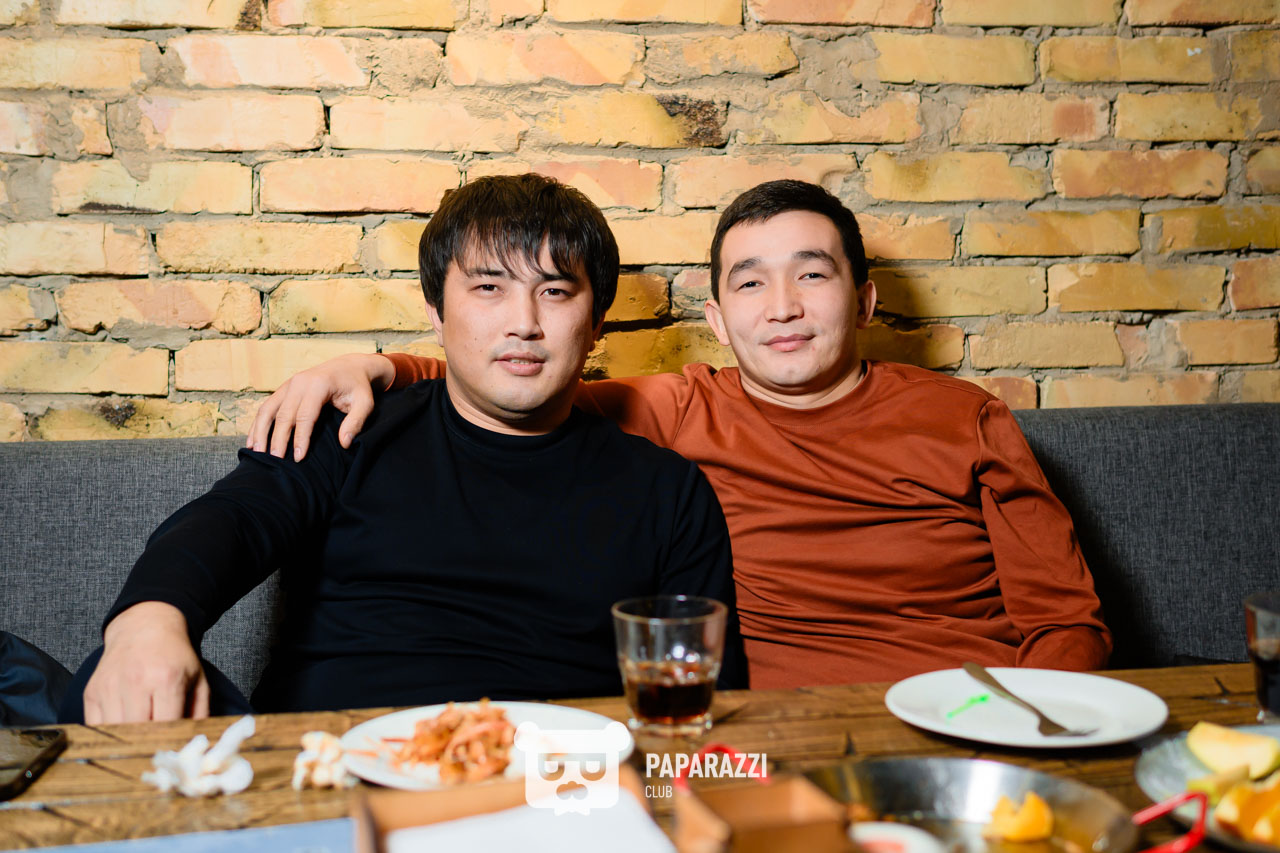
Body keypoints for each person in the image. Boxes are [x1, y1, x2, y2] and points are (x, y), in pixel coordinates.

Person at [249, 179, 1111, 689]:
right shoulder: (674, 408)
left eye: (813, 275)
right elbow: (515, 375)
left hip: (964, 715)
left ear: (866, 300)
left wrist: (1024, 732)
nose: (782, 307)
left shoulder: (965, 416)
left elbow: (1067, 621)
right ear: (719, 318)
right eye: (751, 284)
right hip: (757, 745)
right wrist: (379, 366)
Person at [66, 174, 745, 725]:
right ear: (436, 313)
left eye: (556, 291)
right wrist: (148, 622)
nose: (524, 322)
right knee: (106, 679)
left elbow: (704, 707)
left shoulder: (668, 491)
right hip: (328, 772)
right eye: (489, 287)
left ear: (595, 321)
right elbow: (234, 520)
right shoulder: (350, 430)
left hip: (553, 787)